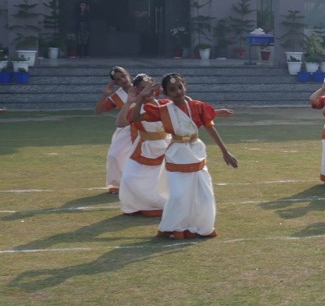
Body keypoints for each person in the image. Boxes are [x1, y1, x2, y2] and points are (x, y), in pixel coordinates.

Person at [137, 73, 238, 238]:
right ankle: (173, 227)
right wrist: (141, 98)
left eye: (180, 87)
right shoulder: (164, 110)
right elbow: (134, 117)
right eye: (172, 89)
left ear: (185, 86)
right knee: (178, 196)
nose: (177, 91)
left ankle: (201, 227)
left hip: (196, 152)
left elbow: (209, 127)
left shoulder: (197, 106)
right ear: (166, 93)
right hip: (176, 154)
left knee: (205, 195)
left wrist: (225, 151)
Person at [118, 74, 170, 217]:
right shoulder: (135, 109)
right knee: (129, 178)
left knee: (165, 180)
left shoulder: (165, 104)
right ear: (136, 90)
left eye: (150, 87)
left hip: (167, 147)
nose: (148, 91)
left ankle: (166, 204)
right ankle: (138, 205)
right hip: (145, 148)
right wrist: (129, 101)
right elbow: (120, 123)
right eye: (142, 88)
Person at [95, 66, 138, 195]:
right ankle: (116, 185)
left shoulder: (141, 88)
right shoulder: (116, 96)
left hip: (146, 126)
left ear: (128, 75)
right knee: (114, 155)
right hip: (126, 129)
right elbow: (98, 111)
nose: (123, 80)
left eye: (124, 76)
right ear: (115, 83)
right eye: (118, 79)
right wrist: (106, 94)